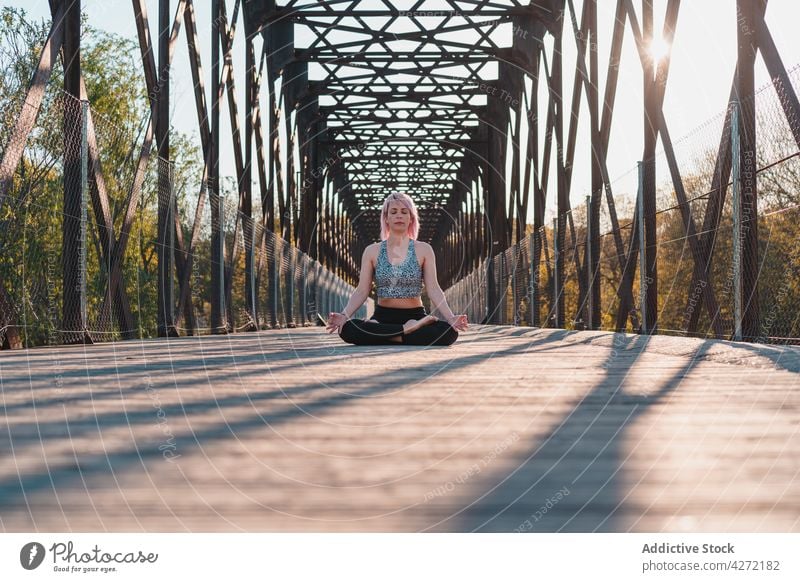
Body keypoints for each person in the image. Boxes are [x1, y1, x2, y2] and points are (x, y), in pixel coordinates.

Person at [325, 191, 468, 346]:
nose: (399, 215)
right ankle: (407, 330)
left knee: (449, 333)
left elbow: (433, 288)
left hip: (415, 315)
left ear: (411, 218)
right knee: (346, 329)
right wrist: (344, 316)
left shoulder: (424, 249)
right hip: (383, 317)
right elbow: (362, 290)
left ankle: (385, 334)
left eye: (404, 212)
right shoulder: (372, 251)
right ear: (386, 218)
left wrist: (450, 317)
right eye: (393, 212)